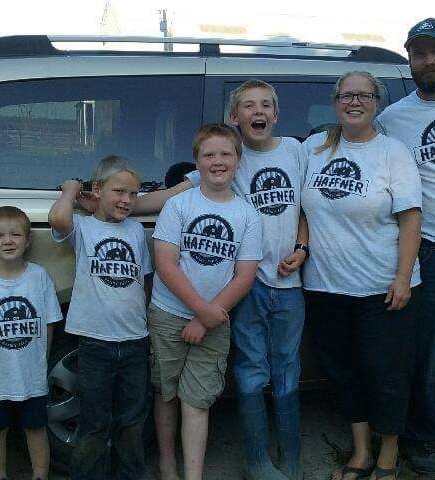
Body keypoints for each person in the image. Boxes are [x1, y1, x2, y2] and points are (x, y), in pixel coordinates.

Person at [105, 79, 307, 480]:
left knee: (273, 376)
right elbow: (165, 219)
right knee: (187, 387)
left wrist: (302, 247)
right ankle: (200, 463)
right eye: (249, 106)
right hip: (192, 309)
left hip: (264, 290)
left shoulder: (294, 154)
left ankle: (282, 461)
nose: (259, 112)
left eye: (266, 104)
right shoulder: (194, 192)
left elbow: (305, 204)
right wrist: (116, 200)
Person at [301, 71, 422, 480]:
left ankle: (389, 456)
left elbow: (410, 219)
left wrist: (403, 278)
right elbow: (294, 202)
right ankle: (360, 452)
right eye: (347, 95)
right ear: (335, 101)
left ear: (377, 102)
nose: (355, 102)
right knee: (343, 371)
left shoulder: (393, 152)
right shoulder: (313, 147)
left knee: (385, 375)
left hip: (381, 288)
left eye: (365, 95)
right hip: (324, 287)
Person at [148, 123, 262, 480]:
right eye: (208, 154)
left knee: (197, 401)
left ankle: (193, 474)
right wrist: (200, 311)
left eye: (226, 154)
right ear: (196, 163)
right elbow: (165, 263)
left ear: (238, 161)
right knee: (166, 395)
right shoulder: (179, 205)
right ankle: (168, 466)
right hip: (169, 314)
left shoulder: (247, 214)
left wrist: (207, 319)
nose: (217, 161)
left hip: (215, 320)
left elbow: (244, 276)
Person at [377, 17, 435, 477]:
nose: (428, 60)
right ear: (409, 60)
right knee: (425, 356)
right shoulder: (392, 119)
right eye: (419, 53)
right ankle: (422, 439)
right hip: (430, 249)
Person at [49, 155, 153, 480]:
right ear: (98, 190)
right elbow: (58, 219)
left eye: (133, 194)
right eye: (119, 191)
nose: (127, 200)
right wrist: (70, 192)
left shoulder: (136, 230)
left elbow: (144, 279)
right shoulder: (84, 227)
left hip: (135, 342)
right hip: (95, 343)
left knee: (132, 423)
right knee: (94, 424)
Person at [0, 206, 62, 480]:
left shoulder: (39, 277)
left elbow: (50, 324)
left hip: (31, 375)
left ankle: (40, 475)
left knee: (36, 429)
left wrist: (43, 362)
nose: (8, 241)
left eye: (16, 234)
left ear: (28, 240)